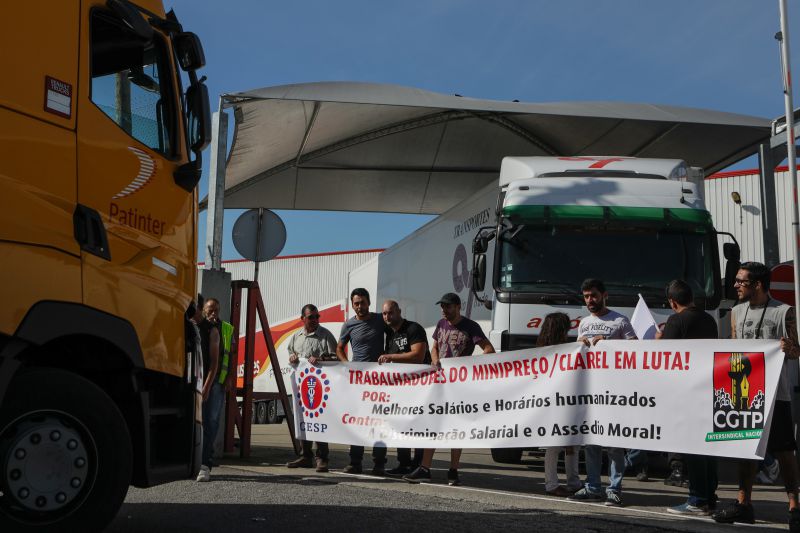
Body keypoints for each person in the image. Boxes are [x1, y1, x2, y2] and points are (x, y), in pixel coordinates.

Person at [711, 262, 800, 531]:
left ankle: (794, 507)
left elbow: (797, 351)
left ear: (758, 285)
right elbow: (736, 348)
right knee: (746, 449)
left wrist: (789, 347)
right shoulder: (737, 312)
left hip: (777, 394)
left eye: (741, 281)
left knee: (785, 451)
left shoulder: (783, 312)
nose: (736, 285)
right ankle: (744, 504)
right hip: (744, 394)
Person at [404, 292, 495, 486]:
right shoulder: (440, 324)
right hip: (440, 383)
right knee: (433, 424)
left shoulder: (471, 326)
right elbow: (434, 347)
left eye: (448, 307)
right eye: (442, 307)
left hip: (460, 385)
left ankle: (453, 470)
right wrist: (435, 360)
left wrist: (469, 365)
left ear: (457, 307)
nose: (444, 310)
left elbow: (488, 349)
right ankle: (425, 468)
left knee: (456, 427)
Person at [568, 279, 636, 507]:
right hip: (590, 392)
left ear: (604, 295)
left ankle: (614, 489)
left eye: (594, 296)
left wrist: (608, 344)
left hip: (614, 392)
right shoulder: (584, 323)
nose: (590, 301)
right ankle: (593, 487)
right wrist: (579, 343)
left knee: (615, 444)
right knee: (591, 442)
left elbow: (635, 350)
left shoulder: (620, 320)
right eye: (586, 296)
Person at [655, 280, 720, 515]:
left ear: (672, 302)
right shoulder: (708, 319)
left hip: (686, 391)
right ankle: (709, 497)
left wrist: (658, 341)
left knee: (693, 447)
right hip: (707, 387)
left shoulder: (677, 320)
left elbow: (666, 355)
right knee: (707, 447)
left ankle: (697, 499)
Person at [337, 288, 389, 475]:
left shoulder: (379, 320)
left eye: (363, 302)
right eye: (356, 303)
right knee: (358, 422)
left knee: (378, 422)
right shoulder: (348, 325)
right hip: (358, 381)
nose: (360, 306)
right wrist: (348, 365)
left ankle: (379, 463)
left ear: (368, 302)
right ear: (352, 305)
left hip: (379, 380)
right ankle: (355, 462)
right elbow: (339, 348)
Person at [378, 300, 429, 477]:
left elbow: (418, 355)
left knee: (419, 426)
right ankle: (404, 464)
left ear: (399, 311)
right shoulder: (390, 334)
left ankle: (419, 463)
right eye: (384, 314)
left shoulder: (413, 329)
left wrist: (390, 356)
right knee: (401, 425)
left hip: (421, 387)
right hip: (401, 389)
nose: (387, 316)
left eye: (390, 313)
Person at [286, 304, 338, 472]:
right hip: (302, 388)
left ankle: (322, 458)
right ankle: (305, 456)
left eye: (317, 316)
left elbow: (336, 357)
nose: (315, 320)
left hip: (321, 387)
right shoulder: (296, 337)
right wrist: (293, 358)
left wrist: (321, 358)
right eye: (311, 317)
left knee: (319, 420)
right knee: (303, 419)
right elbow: (291, 356)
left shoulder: (325, 335)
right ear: (302, 319)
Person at [537, 312, 582, 497]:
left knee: (572, 441)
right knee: (555, 443)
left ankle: (573, 481)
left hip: (567, 400)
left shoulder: (565, 348)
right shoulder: (548, 351)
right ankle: (552, 484)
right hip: (553, 402)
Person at [196, 297, 224, 482]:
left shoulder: (215, 330)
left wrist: (206, 387)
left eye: (216, 310)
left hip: (212, 383)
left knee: (210, 422)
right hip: (196, 381)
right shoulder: (193, 328)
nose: (213, 313)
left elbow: (215, 363)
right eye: (209, 309)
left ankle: (205, 464)